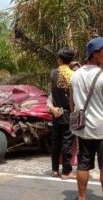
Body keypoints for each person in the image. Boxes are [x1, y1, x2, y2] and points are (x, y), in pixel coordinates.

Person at [70, 37, 103, 200]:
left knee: (83, 163)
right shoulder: (102, 76)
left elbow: (72, 103)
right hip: (101, 128)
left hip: (83, 128)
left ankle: (82, 197)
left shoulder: (75, 75)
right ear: (95, 54)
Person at [47, 47, 76, 179]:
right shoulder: (73, 75)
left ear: (60, 59)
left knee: (56, 142)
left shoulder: (53, 73)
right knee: (67, 143)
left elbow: (53, 93)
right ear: (71, 60)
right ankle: (66, 171)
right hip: (68, 113)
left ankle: (54, 170)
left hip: (56, 112)